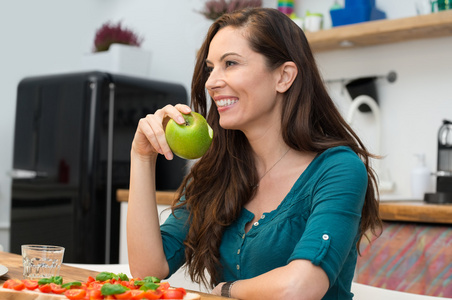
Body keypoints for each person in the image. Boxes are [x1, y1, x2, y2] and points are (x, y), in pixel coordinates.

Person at [127, 7, 382, 300]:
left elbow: (301, 286)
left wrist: (227, 290)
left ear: (284, 77)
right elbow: (147, 271)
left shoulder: (339, 169)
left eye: (231, 63)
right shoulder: (219, 171)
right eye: (211, 68)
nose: (211, 82)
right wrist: (142, 157)